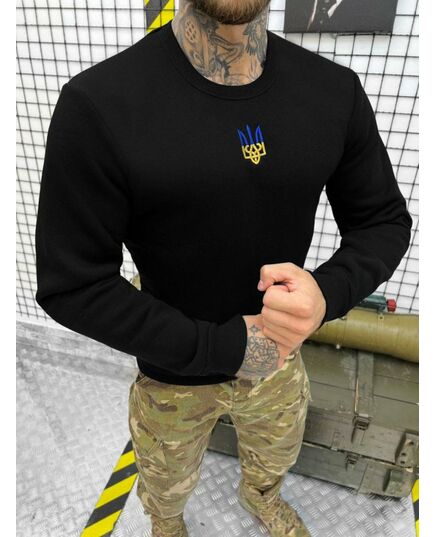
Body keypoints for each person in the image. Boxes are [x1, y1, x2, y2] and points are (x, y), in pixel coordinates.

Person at [34, 0, 413, 535]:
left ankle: (262, 499)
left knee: (273, 461)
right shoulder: (99, 104)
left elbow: (383, 221)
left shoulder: (332, 90)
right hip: (170, 373)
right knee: (164, 486)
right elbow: (72, 284)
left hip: (280, 359)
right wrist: (224, 347)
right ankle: (166, 525)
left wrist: (326, 294)